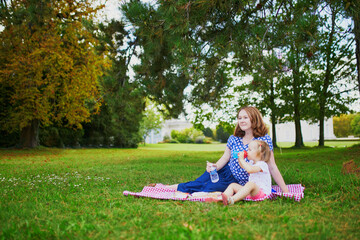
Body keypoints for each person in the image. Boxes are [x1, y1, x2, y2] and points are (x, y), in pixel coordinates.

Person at [167, 106, 289, 194]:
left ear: (254, 119)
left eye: (245, 117)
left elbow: (272, 165)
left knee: (207, 187)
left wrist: (286, 191)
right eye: (239, 118)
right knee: (201, 181)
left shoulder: (264, 140)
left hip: (238, 181)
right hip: (226, 171)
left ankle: (173, 187)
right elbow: (225, 158)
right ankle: (169, 187)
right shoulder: (234, 138)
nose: (241, 120)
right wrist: (215, 166)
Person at [221, 140, 272, 205]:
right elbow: (243, 166)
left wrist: (242, 159)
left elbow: (250, 170)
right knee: (233, 185)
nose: (247, 151)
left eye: (249, 150)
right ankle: (223, 198)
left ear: (260, 152)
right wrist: (239, 158)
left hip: (261, 193)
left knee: (250, 184)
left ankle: (232, 199)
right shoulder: (251, 163)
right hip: (251, 192)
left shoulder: (262, 164)